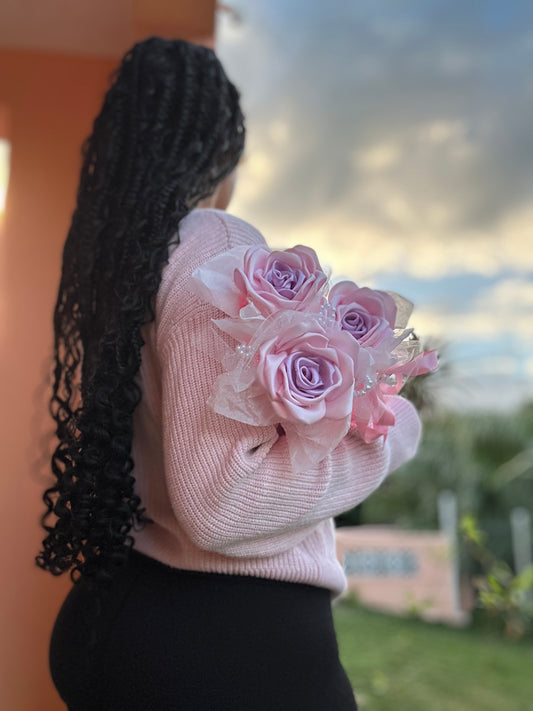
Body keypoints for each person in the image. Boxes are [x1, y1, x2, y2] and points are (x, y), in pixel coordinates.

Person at [37, 37, 422, 711]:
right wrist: (393, 434)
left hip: (119, 610)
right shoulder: (213, 241)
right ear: (221, 157)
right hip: (231, 649)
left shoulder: (125, 268)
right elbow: (222, 501)